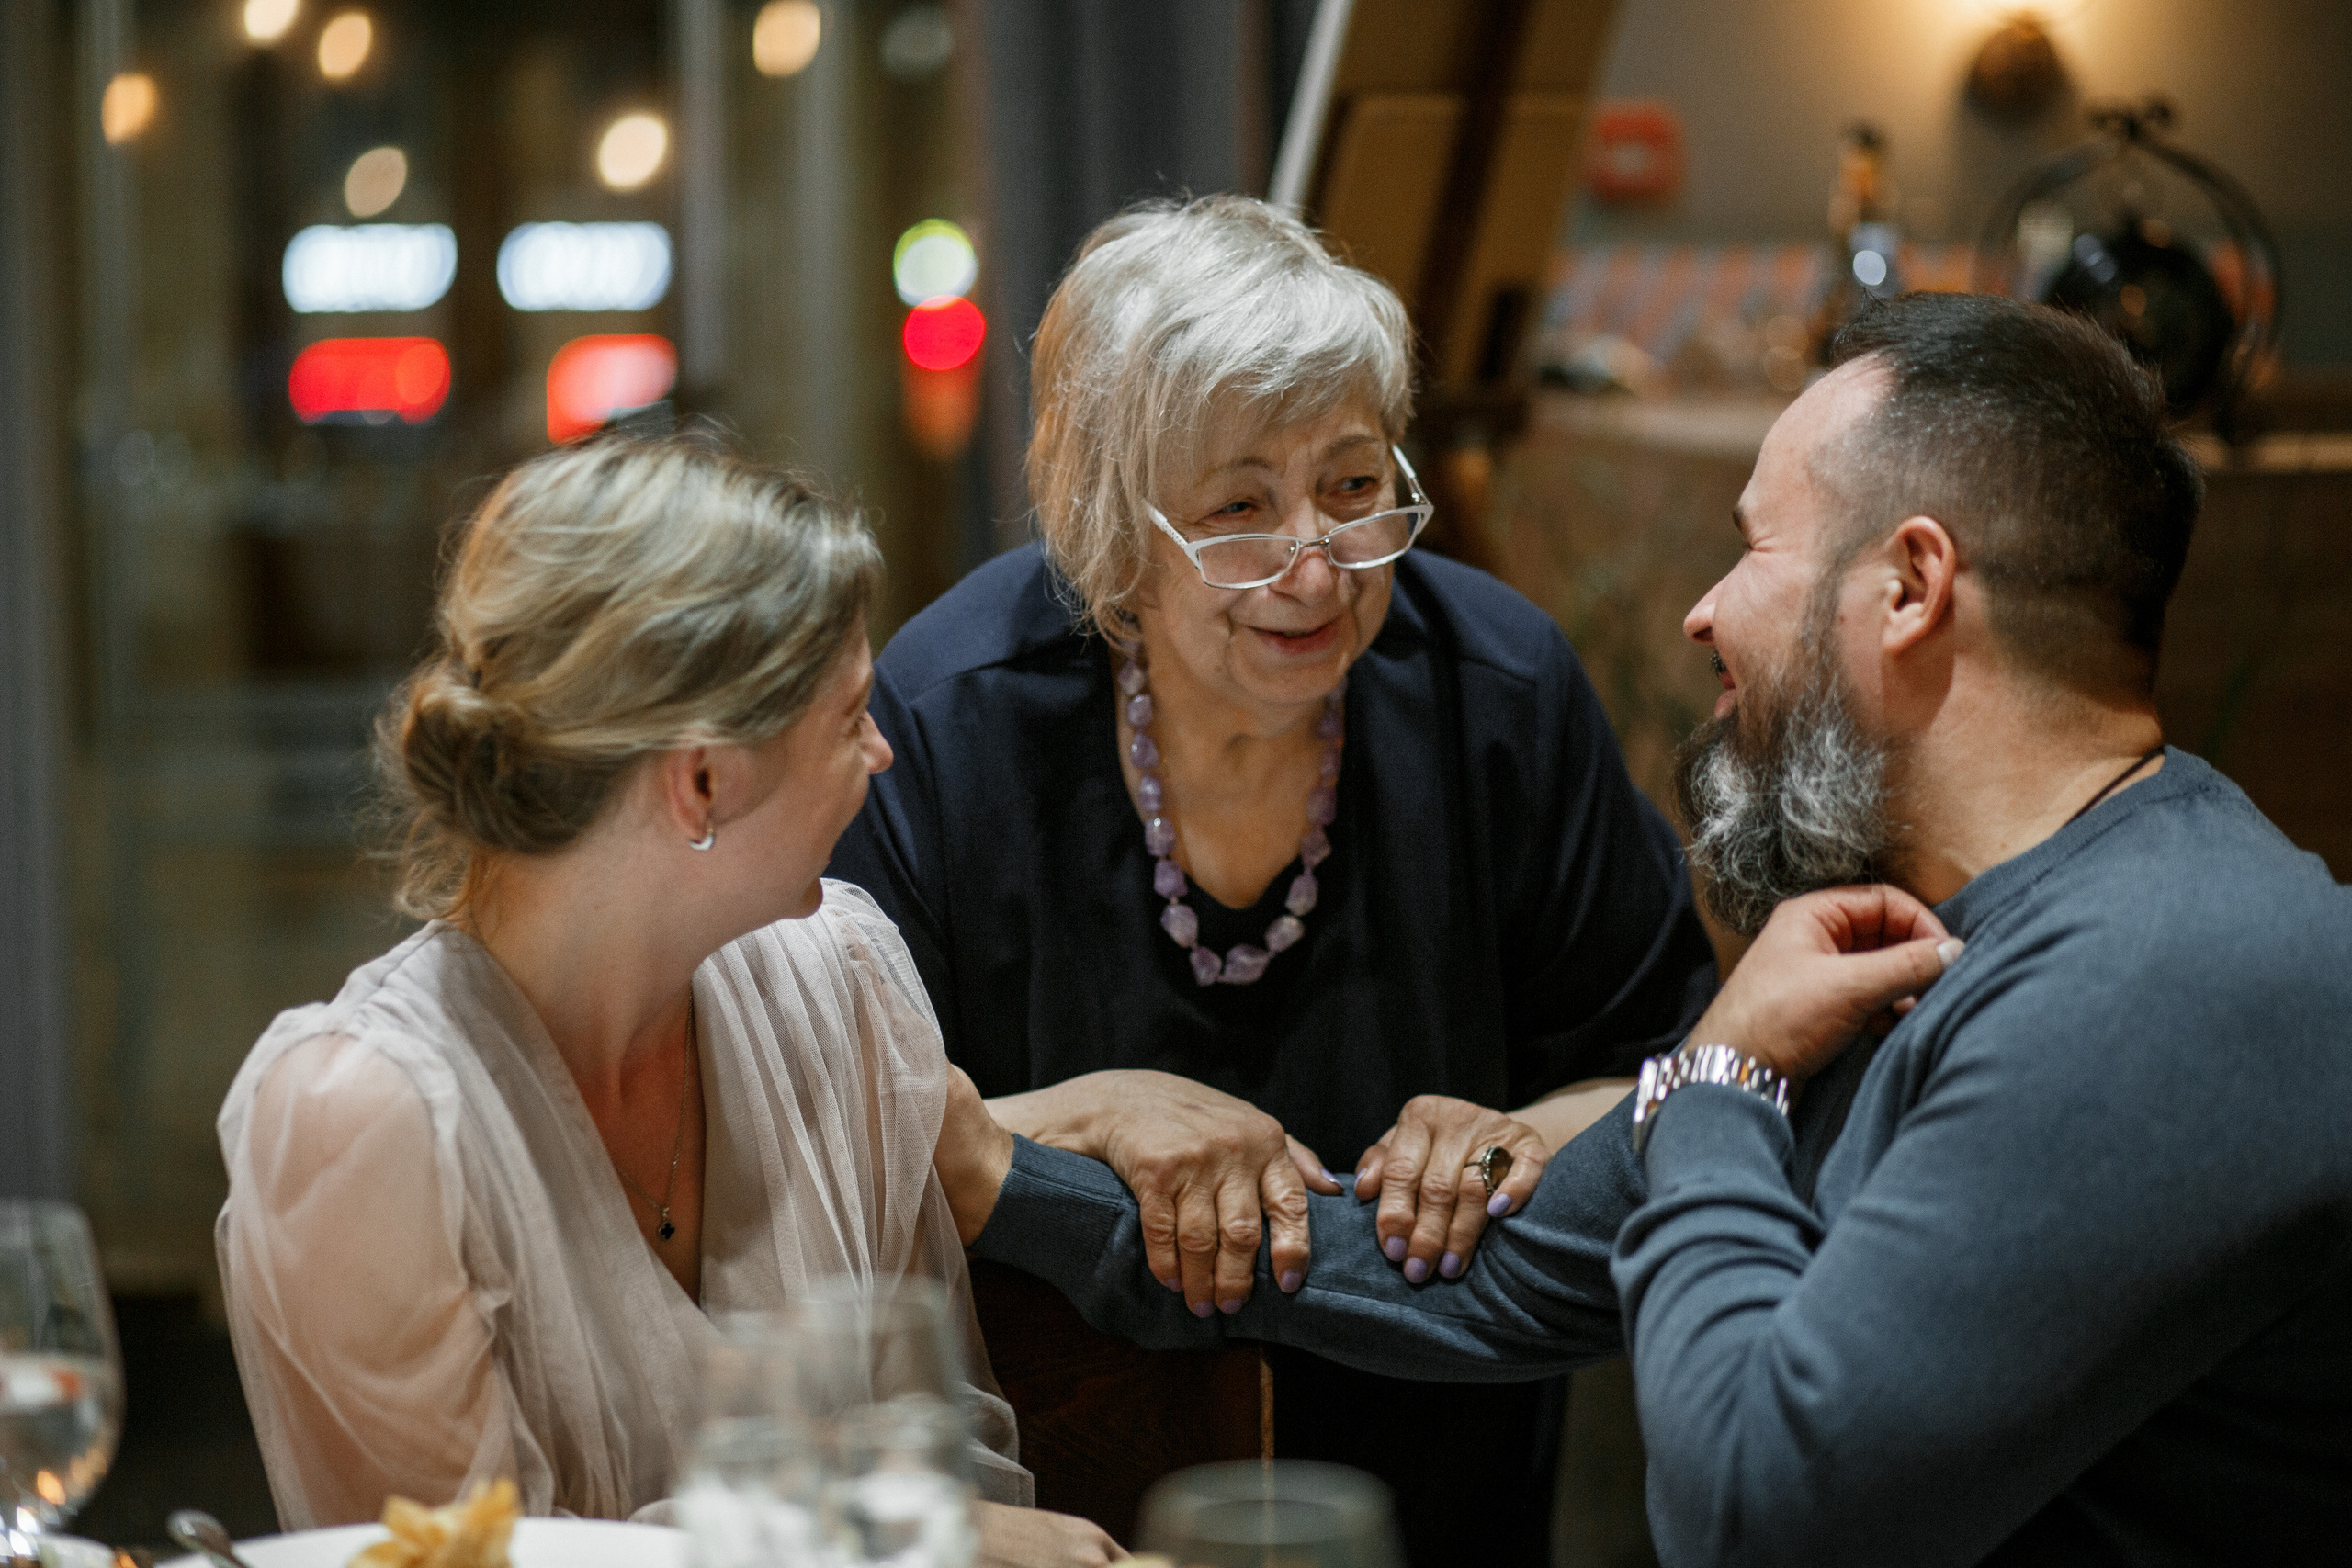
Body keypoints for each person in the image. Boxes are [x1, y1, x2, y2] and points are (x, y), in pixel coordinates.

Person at [932, 294, 2352, 1565]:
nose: (1701, 610)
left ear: (1908, 588)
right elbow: (1484, 1276)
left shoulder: (2174, 977)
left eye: (1752, 548)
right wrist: (1006, 1171)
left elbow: (1754, 1516)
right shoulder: (1926, 934)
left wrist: (1719, 1085)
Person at [825, 195, 1716, 1561]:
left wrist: (1526, 1133)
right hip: (1054, 1484)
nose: (1316, 564)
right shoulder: (951, 723)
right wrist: (1086, 1108)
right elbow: (840, 1147)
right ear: (1114, 530)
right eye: (1240, 506)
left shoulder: (1500, 690)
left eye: (1356, 486)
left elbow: (1674, 1074)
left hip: (1440, 1476)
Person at [214, 438, 1122, 1565]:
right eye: (848, 720)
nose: (884, 752)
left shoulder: (842, 982)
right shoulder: (361, 1122)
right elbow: (455, 1562)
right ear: (701, 781)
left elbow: (953, 1457)